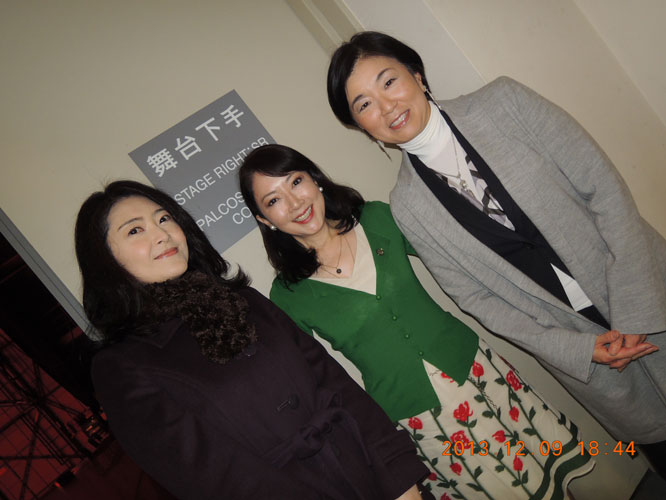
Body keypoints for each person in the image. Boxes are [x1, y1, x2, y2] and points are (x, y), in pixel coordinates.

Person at [326, 31, 666, 474]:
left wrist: (635, 310)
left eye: (388, 81)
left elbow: (604, 190)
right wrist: (579, 351)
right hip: (587, 350)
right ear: (361, 127)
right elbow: (478, 300)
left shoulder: (503, 103)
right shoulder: (408, 206)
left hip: (647, 292)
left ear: (417, 75)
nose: (387, 106)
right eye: (364, 104)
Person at [239, 144, 594, 500]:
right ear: (264, 219)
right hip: (419, 417)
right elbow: (313, 383)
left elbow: (467, 263)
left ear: (314, 179)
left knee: (544, 478)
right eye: (274, 200)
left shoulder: (377, 219)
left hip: (477, 374)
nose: (295, 202)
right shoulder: (288, 295)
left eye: (295, 181)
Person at [74, 180, 430, 500]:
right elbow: (212, 479)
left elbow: (335, 384)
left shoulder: (244, 301)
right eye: (135, 230)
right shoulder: (121, 368)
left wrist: (399, 479)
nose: (162, 235)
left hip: (374, 473)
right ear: (105, 258)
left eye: (164, 219)